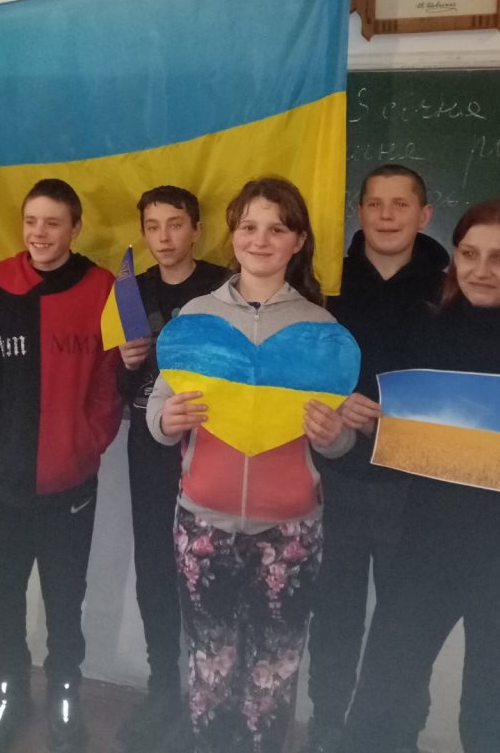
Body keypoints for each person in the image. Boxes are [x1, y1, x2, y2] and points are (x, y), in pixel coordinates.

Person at [147, 177, 358, 753]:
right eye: (248, 227)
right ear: (232, 234)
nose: (260, 240)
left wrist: (335, 437)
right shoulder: (196, 317)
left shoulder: (322, 332)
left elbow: (337, 441)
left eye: (277, 228)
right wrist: (167, 420)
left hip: (289, 530)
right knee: (209, 662)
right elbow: (160, 411)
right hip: (203, 521)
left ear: (298, 241)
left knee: (274, 669)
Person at [341, 199, 500, 753]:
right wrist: (364, 420)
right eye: (469, 254)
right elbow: (388, 428)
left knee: (485, 725)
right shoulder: (425, 328)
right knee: (375, 710)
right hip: (424, 545)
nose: (480, 270)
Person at [0, 178, 122, 753]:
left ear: (76, 229)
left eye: (53, 222)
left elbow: (112, 380)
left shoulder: (104, 288)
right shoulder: (0, 284)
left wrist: (88, 441)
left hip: (71, 483)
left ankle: (64, 694)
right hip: (5, 480)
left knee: (64, 597)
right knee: (4, 593)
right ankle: (8, 691)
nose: (40, 233)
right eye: (31, 221)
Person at [304, 165, 448, 753]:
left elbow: (463, 387)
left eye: (400, 204)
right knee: (333, 607)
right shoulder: (326, 289)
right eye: (375, 204)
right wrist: (333, 405)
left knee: (406, 618)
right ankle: (326, 722)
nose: (387, 216)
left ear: (424, 215)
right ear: (358, 212)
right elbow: (301, 375)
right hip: (336, 475)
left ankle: (398, 732)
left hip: (418, 485)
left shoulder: (453, 290)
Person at [113, 186, 227, 753]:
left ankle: (210, 694)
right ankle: (163, 687)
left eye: (176, 224)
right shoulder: (129, 291)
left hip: (213, 448)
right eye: (153, 226)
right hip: (149, 450)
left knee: (209, 573)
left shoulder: (225, 287)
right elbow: (119, 388)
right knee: (155, 567)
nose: (164, 237)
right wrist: (124, 361)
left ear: (197, 230)